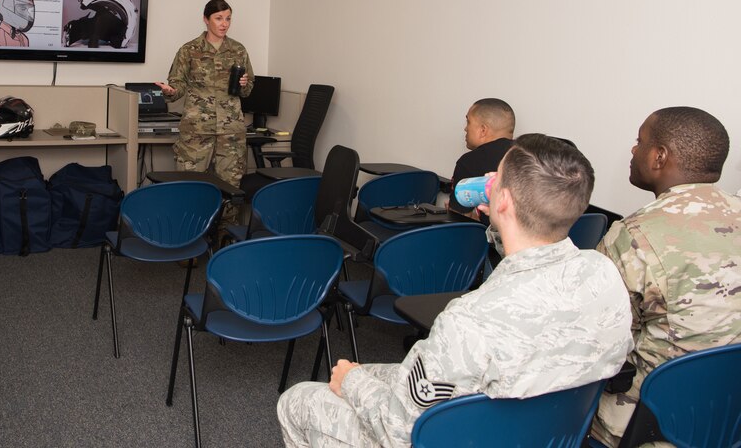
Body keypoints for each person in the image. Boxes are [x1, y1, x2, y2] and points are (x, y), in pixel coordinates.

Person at [278, 134, 632, 448]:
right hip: (549, 432)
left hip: (462, 436)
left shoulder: (468, 319)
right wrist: (498, 221)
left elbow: (399, 431)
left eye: (496, 178)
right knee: (378, 372)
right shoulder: (603, 273)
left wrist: (352, 382)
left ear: (504, 200)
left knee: (299, 400)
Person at [590, 107, 741, 446]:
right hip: (729, 421)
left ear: (659, 156)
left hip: (649, 429)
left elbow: (599, 340)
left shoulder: (634, 236)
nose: (633, 150)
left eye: (639, 141)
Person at [157, 0, 254, 227]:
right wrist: (169, 91)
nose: (224, 24)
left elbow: (248, 90)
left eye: (228, 18)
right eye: (219, 18)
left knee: (230, 189)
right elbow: (177, 85)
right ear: (206, 19)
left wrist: (243, 84)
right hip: (197, 131)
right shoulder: (189, 50)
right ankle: (187, 240)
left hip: (230, 132)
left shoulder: (238, 50)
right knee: (190, 187)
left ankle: (223, 241)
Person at [449, 98, 515, 216]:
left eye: (468, 122)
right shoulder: (529, 156)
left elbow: (459, 217)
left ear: (483, 130)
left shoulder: (469, 162)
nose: (465, 128)